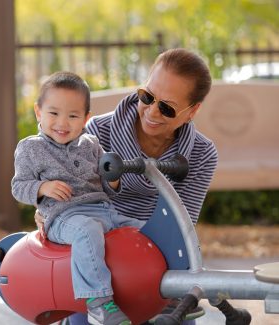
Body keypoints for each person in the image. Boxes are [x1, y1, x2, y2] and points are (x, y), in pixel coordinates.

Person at [35, 48, 218, 325]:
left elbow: (181, 227)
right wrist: (50, 208)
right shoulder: (97, 133)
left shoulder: (200, 154)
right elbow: (72, 196)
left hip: (157, 258)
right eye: (147, 97)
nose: (152, 112)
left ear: (192, 111)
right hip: (100, 259)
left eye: (167, 108)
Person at [12, 71, 144, 325]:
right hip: (63, 217)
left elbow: (107, 184)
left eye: (73, 116)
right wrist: (42, 187)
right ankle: (98, 302)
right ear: (38, 112)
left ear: (85, 119)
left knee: (142, 230)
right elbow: (18, 186)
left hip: (103, 210)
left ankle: (166, 295)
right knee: (86, 230)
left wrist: (113, 179)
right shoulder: (30, 148)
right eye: (53, 113)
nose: (63, 122)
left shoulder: (92, 144)